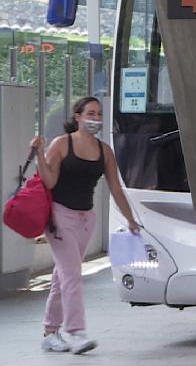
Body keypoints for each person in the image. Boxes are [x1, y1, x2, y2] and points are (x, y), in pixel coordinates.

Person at [31, 96, 141, 354]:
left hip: (85, 219)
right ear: (77, 117)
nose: (96, 118)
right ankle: (77, 332)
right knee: (71, 276)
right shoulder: (61, 144)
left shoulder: (104, 151)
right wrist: (38, 153)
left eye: (99, 114)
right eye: (90, 113)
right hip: (59, 217)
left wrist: (131, 219)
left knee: (63, 277)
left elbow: (115, 187)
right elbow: (48, 181)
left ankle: (50, 332)